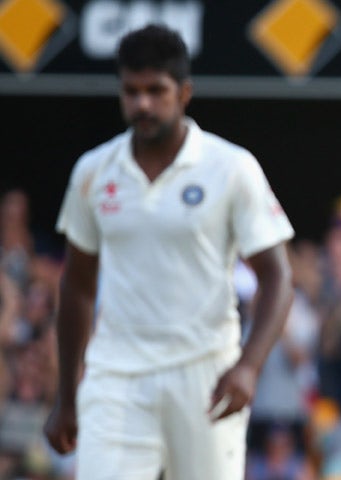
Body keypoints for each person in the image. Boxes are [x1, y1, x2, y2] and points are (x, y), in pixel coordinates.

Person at [43, 24, 295, 480]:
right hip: (115, 375)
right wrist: (66, 394)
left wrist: (249, 367)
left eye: (156, 91)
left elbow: (277, 275)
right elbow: (77, 286)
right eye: (131, 91)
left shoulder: (231, 167)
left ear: (184, 93)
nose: (142, 104)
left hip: (205, 373)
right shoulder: (93, 171)